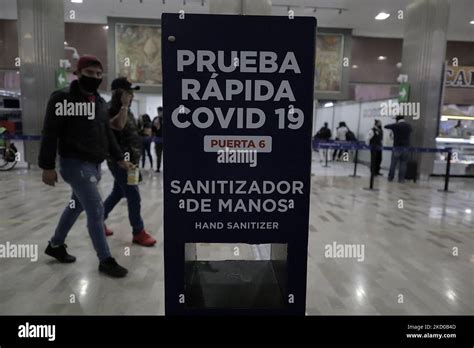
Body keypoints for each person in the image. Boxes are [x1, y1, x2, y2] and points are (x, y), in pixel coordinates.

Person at [39, 56, 133, 278]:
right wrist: (47, 166)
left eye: (99, 75)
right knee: (96, 209)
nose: (95, 78)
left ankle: (56, 245)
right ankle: (105, 260)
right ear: (78, 73)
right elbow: (50, 132)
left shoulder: (99, 102)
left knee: (76, 205)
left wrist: (119, 158)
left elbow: (107, 132)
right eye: (90, 73)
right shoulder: (62, 98)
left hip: (94, 164)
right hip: (75, 164)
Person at [103, 77, 157, 246]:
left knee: (118, 193)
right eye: (128, 92)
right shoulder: (110, 109)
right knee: (133, 195)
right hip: (120, 162)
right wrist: (124, 106)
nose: (131, 95)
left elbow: (128, 133)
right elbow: (117, 125)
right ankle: (138, 232)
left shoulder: (130, 111)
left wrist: (143, 132)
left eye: (132, 92)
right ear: (118, 93)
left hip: (132, 163)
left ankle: (97, 221)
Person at [384, 116, 413, 183]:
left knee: (393, 163)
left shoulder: (396, 125)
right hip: (405, 147)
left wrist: (395, 124)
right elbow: (411, 131)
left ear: (397, 120)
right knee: (403, 164)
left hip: (397, 147)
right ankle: (401, 179)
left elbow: (385, 126)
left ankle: (390, 178)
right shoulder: (408, 126)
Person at [152, 107, 164, 173]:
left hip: (158, 140)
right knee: (159, 156)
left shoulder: (155, 119)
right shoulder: (156, 119)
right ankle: (158, 168)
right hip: (159, 140)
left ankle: (158, 168)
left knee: (158, 155)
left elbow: (153, 130)